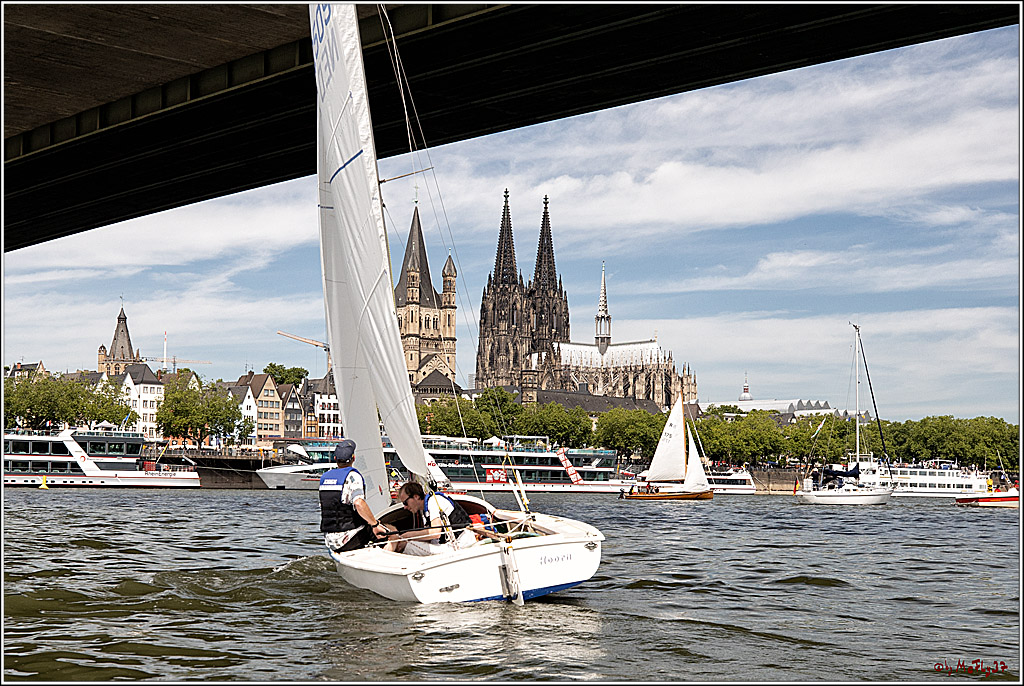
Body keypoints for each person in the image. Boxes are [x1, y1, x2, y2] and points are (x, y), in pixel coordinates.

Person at [319, 439, 392, 552]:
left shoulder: (324, 478)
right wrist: (375, 524)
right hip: (348, 538)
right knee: (389, 532)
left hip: (330, 540)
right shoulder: (353, 476)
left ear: (335, 459)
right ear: (354, 458)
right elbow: (358, 503)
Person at [385, 481, 477, 555]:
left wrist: (408, 535)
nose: (405, 507)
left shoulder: (433, 502)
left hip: (457, 546)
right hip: (450, 545)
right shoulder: (425, 509)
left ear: (416, 497)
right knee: (403, 541)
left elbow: (435, 533)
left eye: (405, 503)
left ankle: (385, 558)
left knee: (402, 545)